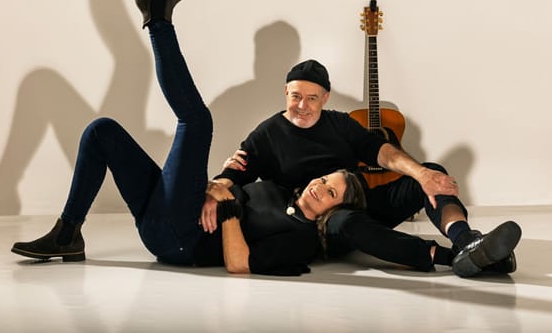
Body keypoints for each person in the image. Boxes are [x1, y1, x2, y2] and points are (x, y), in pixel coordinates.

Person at [10, 0, 365, 276]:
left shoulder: (301, 240)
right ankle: (67, 235)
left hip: (185, 241)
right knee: (102, 131)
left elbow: (239, 263)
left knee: (197, 121)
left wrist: (226, 206)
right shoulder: (279, 172)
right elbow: (236, 172)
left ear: (334, 212)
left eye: (329, 193)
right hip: (167, 219)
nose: (318, 187)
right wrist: (216, 188)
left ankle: (158, 18)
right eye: (323, 180)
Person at [204, 58, 522, 277]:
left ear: (325, 98)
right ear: (286, 92)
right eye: (296, 96)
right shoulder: (267, 134)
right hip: (320, 223)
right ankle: (454, 259)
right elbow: (233, 173)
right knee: (345, 222)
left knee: (430, 171)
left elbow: (382, 151)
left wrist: (422, 174)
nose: (302, 106)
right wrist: (214, 191)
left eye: (312, 98)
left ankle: (467, 241)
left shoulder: (340, 124)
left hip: (359, 199)